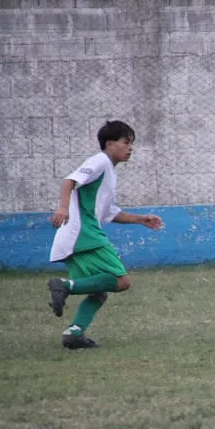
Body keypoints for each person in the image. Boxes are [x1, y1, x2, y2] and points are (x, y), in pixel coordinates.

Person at [46, 121, 164, 349]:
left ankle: (74, 333)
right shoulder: (100, 161)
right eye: (126, 142)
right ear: (110, 144)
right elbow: (69, 180)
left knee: (99, 292)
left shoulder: (109, 171)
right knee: (121, 281)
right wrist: (62, 207)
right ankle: (64, 286)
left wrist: (140, 219)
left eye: (131, 144)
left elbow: (110, 213)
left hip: (74, 236)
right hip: (83, 233)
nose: (130, 148)